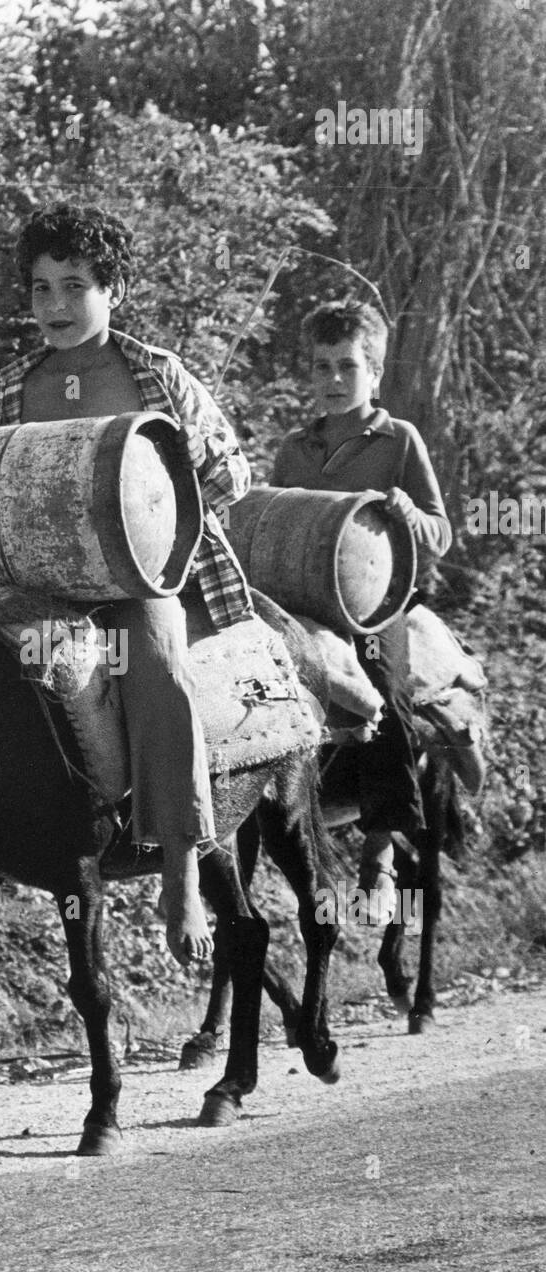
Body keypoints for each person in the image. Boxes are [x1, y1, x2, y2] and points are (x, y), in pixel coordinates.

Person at [0, 202, 256, 971]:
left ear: (112, 290)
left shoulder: (157, 373)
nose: (54, 307)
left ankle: (179, 868)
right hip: (36, 585)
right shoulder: (16, 383)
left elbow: (231, 474)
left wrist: (203, 467)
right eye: (40, 289)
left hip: (135, 583)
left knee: (157, 667)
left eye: (74, 286)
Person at [271, 300, 452, 924]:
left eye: (348, 366)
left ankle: (379, 855)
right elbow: (273, 526)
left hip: (380, 605)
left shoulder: (398, 439)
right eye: (321, 367)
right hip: (307, 605)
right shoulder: (295, 447)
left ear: (373, 370)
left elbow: (442, 533)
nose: (334, 380)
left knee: (384, 690)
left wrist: (409, 512)